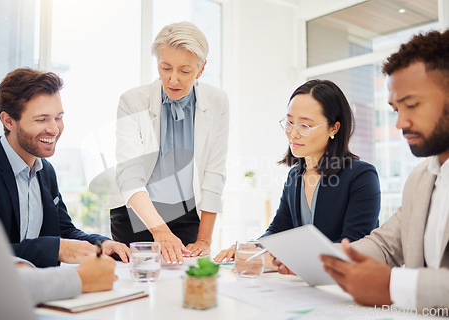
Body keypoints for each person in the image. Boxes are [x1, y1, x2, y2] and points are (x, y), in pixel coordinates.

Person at [0, 39, 117, 305]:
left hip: (48, 300)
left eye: (58, 117)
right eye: (41, 119)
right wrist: (57, 249)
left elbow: (64, 231)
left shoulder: (45, 171)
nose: (54, 129)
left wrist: (100, 243)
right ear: (8, 121)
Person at [320, 30, 449, 312]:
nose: (400, 123)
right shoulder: (421, 177)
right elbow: (386, 245)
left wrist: (392, 285)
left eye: (412, 105)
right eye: (395, 109)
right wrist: (325, 261)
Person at [214, 79, 380, 264]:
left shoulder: (361, 176)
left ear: (334, 127)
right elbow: (279, 229)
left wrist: (285, 260)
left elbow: (353, 246)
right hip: (304, 282)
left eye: (305, 126)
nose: (293, 133)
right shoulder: (295, 176)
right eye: (290, 122)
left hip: (345, 284)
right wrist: (251, 248)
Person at [108, 21, 229, 264]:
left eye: (185, 71)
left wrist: (204, 240)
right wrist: (160, 230)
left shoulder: (217, 101)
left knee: (184, 285)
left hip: (187, 216)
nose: (173, 79)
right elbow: (129, 176)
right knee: (138, 284)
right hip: (136, 214)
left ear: (201, 68)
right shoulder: (132, 101)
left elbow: (214, 173)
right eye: (165, 68)